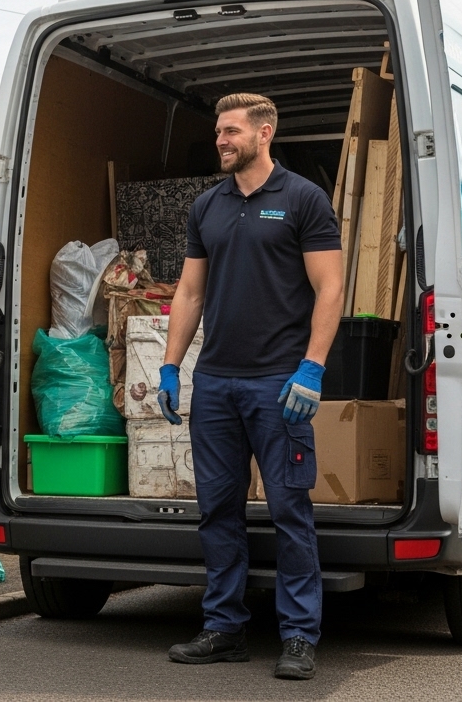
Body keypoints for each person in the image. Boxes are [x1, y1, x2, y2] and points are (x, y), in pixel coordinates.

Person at [158, 93, 342, 680]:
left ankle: (298, 635)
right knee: (216, 509)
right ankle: (224, 627)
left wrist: (311, 368)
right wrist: (169, 365)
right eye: (218, 132)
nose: (221, 141)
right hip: (215, 384)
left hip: (279, 384)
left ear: (265, 133)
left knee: (290, 508)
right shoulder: (207, 205)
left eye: (232, 131)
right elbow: (190, 293)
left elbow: (330, 288)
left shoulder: (303, 199)